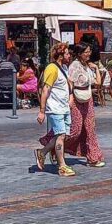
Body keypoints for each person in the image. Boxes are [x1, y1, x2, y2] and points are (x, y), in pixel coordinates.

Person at [35, 43, 75, 177]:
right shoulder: (52, 69)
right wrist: (42, 111)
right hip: (55, 108)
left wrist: (70, 97)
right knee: (60, 135)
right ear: (60, 55)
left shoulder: (64, 67)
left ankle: (43, 152)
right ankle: (62, 166)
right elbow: (46, 89)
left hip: (64, 108)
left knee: (64, 135)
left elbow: (67, 85)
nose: (69, 56)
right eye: (67, 53)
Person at [63, 42, 105, 167]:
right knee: (75, 129)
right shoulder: (74, 66)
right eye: (86, 52)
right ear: (80, 53)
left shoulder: (87, 66)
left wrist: (96, 68)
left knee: (90, 128)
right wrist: (70, 98)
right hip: (76, 99)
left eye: (89, 51)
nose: (89, 54)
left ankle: (93, 157)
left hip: (88, 99)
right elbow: (70, 82)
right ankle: (56, 146)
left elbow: (97, 83)